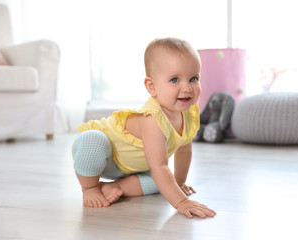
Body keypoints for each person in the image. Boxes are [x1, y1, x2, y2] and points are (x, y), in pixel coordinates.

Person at [72, 37, 216, 219]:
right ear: (151, 86)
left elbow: (184, 150)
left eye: (193, 78)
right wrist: (181, 202)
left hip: (137, 168)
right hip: (105, 157)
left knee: (163, 183)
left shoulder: (187, 111)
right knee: (93, 141)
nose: (187, 88)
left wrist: (179, 182)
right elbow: (160, 166)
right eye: (174, 80)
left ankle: (115, 187)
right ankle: (91, 187)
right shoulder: (153, 119)